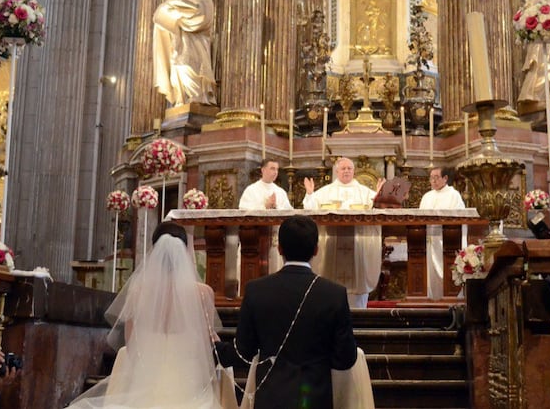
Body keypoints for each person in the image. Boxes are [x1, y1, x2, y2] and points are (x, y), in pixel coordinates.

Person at [65, 221, 223, 409]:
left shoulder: (139, 291)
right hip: (188, 377)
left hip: (148, 376)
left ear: (154, 250)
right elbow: (208, 342)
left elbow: (131, 343)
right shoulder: (204, 293)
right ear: (185, 250)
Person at [227, 215, 372, 409]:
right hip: (314, 398)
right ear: (316, 250)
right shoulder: (334, 293)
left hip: (271, 397)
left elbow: (243, 352)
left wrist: (214, 349)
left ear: (279, 249)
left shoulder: (255, 290)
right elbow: (345, 359)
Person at [302, 158, 383, 308]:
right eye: (343, 168)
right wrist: (310, 194)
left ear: (353, 171)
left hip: (358, 247)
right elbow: (310, 209)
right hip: (332, 244)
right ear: (337, 171)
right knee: (331, 288)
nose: (346, 171)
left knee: (356, 292)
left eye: (349, 168)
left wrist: (378, 197)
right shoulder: (326, 191)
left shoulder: (365, 192)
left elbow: (377, 210)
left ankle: (358, 320)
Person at [152, 0, 217, 107]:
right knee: (177, 74)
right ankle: (182, 100)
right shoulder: (176, 0)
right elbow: (165, 23)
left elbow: (203, 17)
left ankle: (197, 97)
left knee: (189, 70)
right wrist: (166, 15)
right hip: (179, 47)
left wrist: (179, 10)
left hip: (196, 49)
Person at [238, 159, 294, 277]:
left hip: (275, 238)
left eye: (277, 169)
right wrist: (265, 206)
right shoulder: (251, 190)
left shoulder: (280, 192)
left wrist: (275, 207)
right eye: (272, 168)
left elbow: (289, 213)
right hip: (254, 239)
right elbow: (243, 211)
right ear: (263, 170)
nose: (275, 172)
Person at [418, 167, 467, 300]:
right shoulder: (427, 196)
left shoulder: (453, 195)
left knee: (447, 272)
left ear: (445, 178)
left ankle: (451, 298)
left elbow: (460, 218)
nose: (433, 180)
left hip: (446, 242)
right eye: (431, 177)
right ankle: (432, 299)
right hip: (430, 241)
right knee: (431, 274)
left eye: (436, 177)